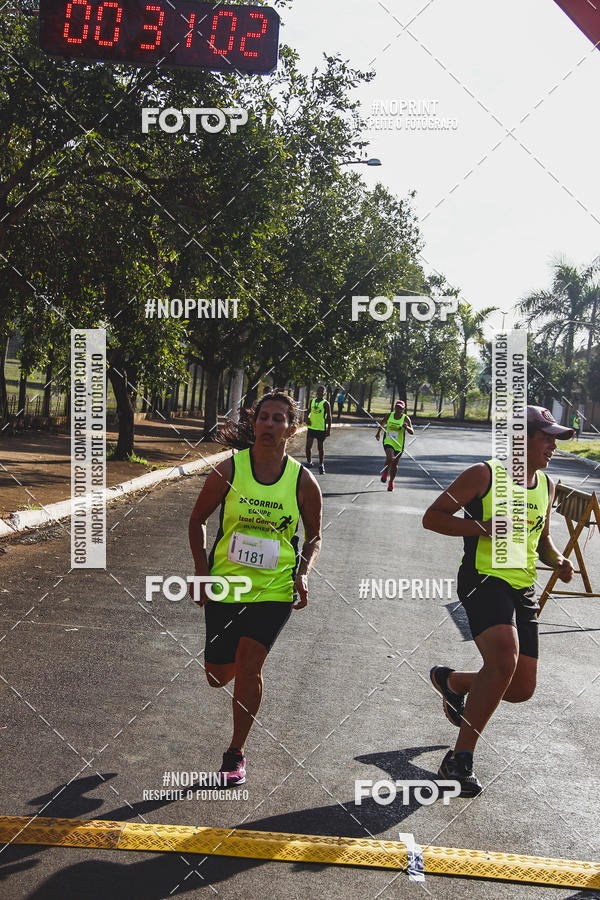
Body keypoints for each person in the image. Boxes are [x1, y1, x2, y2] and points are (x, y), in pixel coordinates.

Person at [422, 406, 574, 796]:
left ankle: (453, 682)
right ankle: (459, 759)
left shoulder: (546, 485)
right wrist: (481, 527)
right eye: (547, 438)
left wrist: (557, 560)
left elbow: (541, 539)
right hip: (483, 579)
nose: (553, 446)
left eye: (555, 439)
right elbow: (433, 517)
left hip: (522, 587)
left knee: (521, 687)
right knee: (503, 659)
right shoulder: (484, 475)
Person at [189, 391, 322, 785]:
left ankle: (235, 754)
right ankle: (233, 669)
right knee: (217, 675)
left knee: (250, 665)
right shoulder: (230, 470)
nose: (269, 424)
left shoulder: (302, 480)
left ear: (291, 429)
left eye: (279, 419)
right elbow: (197, 520)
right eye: (264, 416)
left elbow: (314, 537)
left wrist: (303, 572)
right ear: (254, 421)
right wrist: (201, 571)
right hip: (226, 585)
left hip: (273, 589)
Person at [375, 399, 414, 491]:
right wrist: (378, 433)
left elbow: (412, 432)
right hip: (388, 440)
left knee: (395, 464)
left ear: (403, 409)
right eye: (397, 407)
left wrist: (406, 427)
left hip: (399, 444)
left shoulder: (405, 418)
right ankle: (385, 472)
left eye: (400, 408)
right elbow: (382, 423)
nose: (398, 409)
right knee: (390, 457)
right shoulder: (389, 415)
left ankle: (391, 481)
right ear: (394, 407)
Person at [305, 385, 331, 474]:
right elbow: (308, 411)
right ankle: (309, 463)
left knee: (320, 448)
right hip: (311, 427)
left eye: (322, 391)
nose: (320, 392)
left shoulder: (325, 403)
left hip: (320, 428)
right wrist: (306, 418)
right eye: (318, 391)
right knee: (308, 446)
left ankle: (321, 465)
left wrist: (328, 429)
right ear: (316, 392)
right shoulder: (312, 401)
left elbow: (329, 417)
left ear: (324, 393)